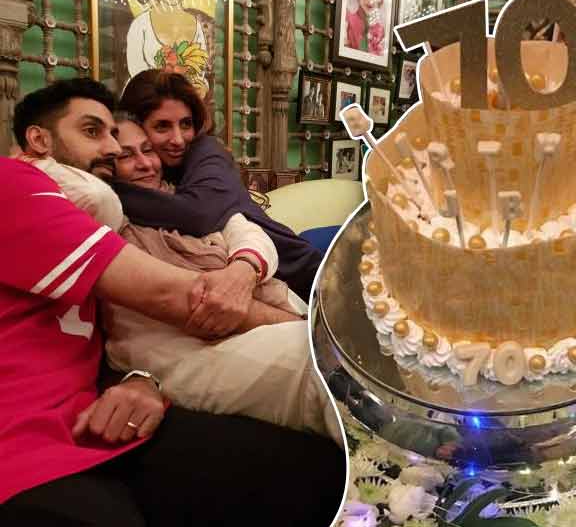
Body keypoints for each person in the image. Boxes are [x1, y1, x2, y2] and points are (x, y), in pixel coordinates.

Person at [1, 78, 346, 526]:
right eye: (93, 132)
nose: (112, 149)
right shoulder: (17, 184)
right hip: (26, 449)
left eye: (118, 136)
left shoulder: (171, 189)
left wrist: (143, 381)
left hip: (98, 422)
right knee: (326, 366)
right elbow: (173, 302)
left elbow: (239, 232)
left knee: (318, 473)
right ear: (39, 140)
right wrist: (306, 325)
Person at [101, 113, 341, 441]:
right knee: (331, 368)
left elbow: (249, 233)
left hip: (277, 310)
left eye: (147, 150)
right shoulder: (113, 224)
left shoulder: (190, 199)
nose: (145, 163)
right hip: (191, 351)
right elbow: (202, 306)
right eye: (126, 156)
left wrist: (241, 271)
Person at [116, 69, 323, 300]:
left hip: (301, 276)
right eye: (162, 126)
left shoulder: (207, 151)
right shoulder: (156, 170)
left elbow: (198, 214)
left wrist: (110, 188)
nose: (178, 139)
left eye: (186, 124)